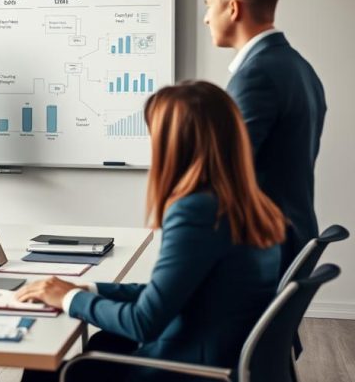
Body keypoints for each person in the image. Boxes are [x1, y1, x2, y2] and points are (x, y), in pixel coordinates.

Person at [16, 81, 286, 382]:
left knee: (42, 368)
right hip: (218, 357)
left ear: (175, 142)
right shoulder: (248, 205)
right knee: (100, 344)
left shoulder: (198, 211)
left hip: (189, 369)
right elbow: (166, 294)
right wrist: (85, 289)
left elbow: (144, 322)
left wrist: (68, 301)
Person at [203, 0, 326, 275]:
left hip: (262, 245)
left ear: (233, 9)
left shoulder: (256, 74)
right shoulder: (297, 65)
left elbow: (228, 171)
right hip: (291, 234)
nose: (205, 19)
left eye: (209, 6)